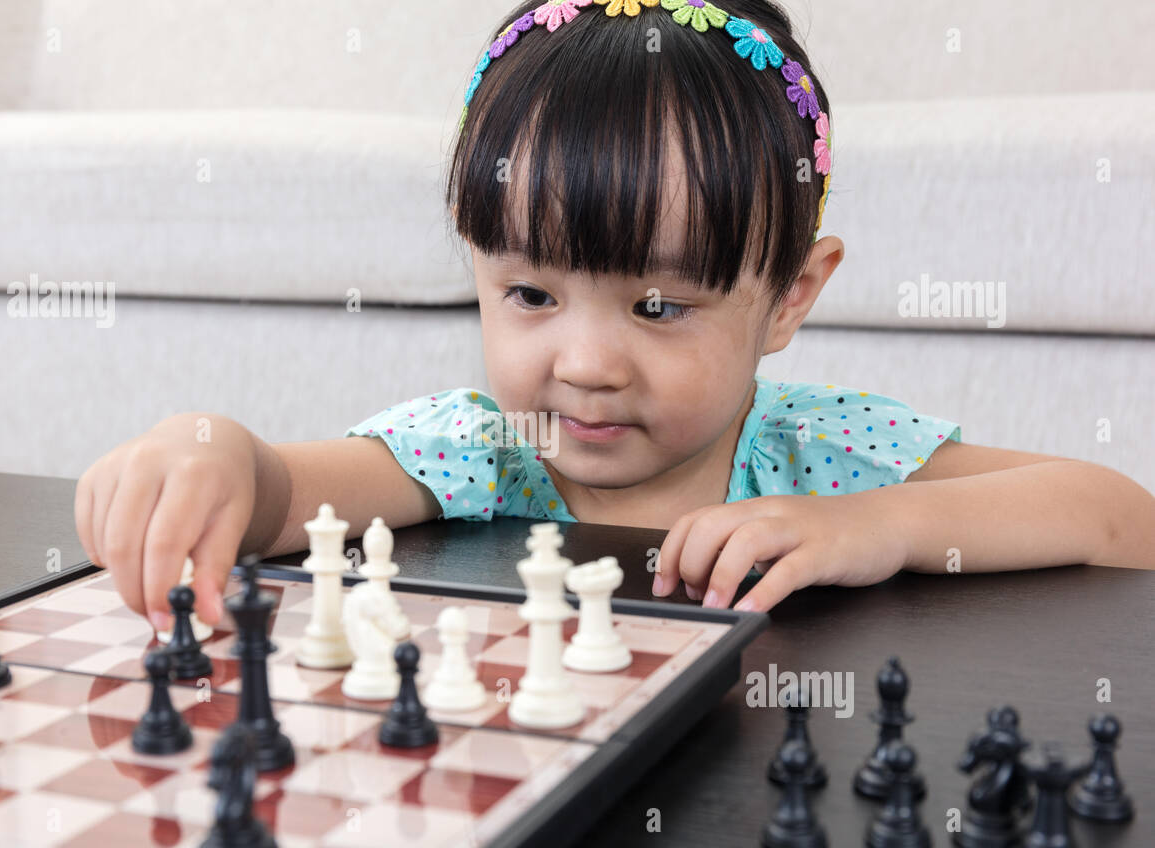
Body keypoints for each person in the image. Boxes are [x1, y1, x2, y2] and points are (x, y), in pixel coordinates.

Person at [74, 0, 1155, 632]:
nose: (584, 362)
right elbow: (281, 491)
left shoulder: (826, 455)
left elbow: (1122, 517)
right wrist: (205, 449)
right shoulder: (483, 447)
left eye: (657, 304)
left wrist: (876, 526)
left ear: (789, 296)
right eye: (530, 293)